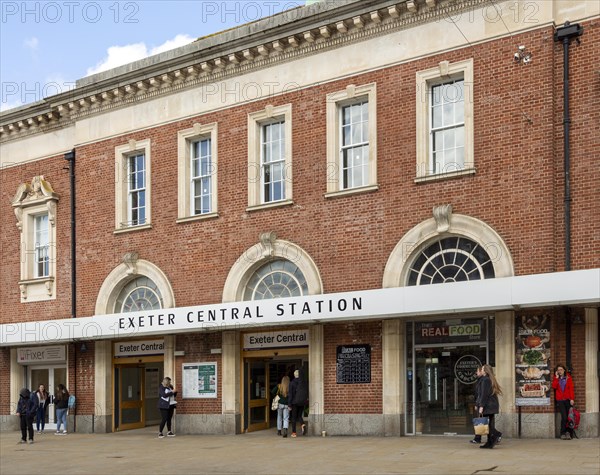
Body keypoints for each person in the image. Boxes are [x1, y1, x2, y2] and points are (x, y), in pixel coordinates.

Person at [476, 364, 502, 449]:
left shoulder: (485, 380)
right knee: (488, 424)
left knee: (487, 425)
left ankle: (497, 434)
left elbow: (484, 394)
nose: (482, 370)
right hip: (491, 405)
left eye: (483, 369)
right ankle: (490, 442)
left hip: (488, 405)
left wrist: (481, 406)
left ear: (486, 371)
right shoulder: (489, 379)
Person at [552, 364, 575, 440]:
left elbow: (571, 389)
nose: (560, 371)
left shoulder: (568, 378)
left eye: (561, 370)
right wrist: (556, 377)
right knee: (564, 417)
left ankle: (568, 433)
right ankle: (562, 433)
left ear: (564, 370)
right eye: (558, 370)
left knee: (569, 417)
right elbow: (554, 387)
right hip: (560, 400)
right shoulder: (556, 378)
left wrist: (572, 399)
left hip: (567, 399)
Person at [288, 369, 308, 438]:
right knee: (299, 416)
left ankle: (294, 433)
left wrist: (289, 404)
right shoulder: (303, 382)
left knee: (293, 418)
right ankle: (302, 424)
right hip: (302, 402)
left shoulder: (292, 383)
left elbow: (290, 395)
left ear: (294, 375)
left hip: (294, 403)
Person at [470, 366, 484, 444]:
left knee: (480, 421)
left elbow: (481, 394)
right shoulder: (479, 380)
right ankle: (477, 438)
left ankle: (478, 438)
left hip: (481, 404)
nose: (476, 372)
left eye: (478, 371)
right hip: (479, 403)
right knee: (480, 421)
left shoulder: (483, 380)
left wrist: (479, 405)